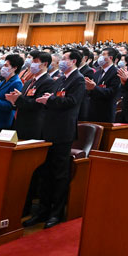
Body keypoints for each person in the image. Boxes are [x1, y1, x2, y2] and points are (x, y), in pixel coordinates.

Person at [25, 49, 85, 230]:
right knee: (46, 172)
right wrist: (47, 100)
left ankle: (56, 213)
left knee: (59, 174)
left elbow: (72, 102)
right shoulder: (59, 79)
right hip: (49, 130)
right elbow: (53, 99)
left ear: (73, 61)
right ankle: (42, 211)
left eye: (65, 58)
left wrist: (49, 101)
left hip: (63, 132)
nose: (61, 61)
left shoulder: (78, 79)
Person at [8, 50, 57, 140]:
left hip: (32, 125)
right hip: (19, 122)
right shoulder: (29, 82)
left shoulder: (48, 82)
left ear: (45, 64)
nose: (32, 65)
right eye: (32, 62)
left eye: (35, 62)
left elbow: (38, 103)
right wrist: (14, 100)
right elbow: (23, 100)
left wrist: (19, 98)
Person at [85, 48, 121, 123]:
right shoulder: (97, 73)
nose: (100, 57)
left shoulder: (116, 73)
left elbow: (112, 92)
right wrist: (88, 88)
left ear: (110, 58)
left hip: (105, 112)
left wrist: (94, 88)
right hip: (92, 110)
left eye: (103, 54)